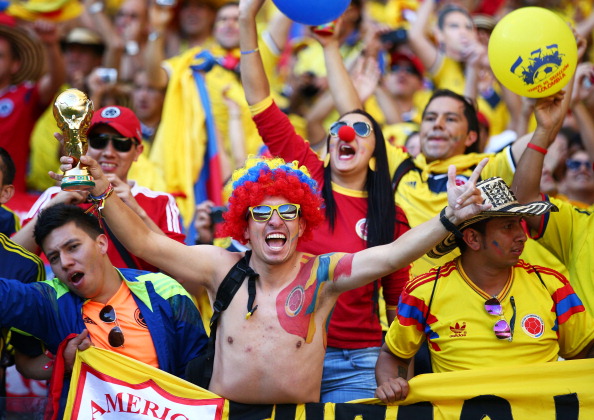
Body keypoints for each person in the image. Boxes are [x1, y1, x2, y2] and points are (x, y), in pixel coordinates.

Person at [54, 119, 491, 406]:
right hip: (226, 414)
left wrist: (450, 218)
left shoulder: (323, 274)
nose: (275, 221)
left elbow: (394, 254)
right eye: (262, 213)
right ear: (245, 226)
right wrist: (102, 189)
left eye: (288, 212)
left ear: (303, 225)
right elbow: (146, 242)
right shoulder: (219, 267)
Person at [238, 0, 410, 402]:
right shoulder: (309, 177)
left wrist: (398, 373)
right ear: (329, 142)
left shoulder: (390, 215)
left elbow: (399, 307)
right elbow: (260, 103)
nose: (346, 133)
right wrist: (247, 19)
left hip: (359, 362)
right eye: (338, 127)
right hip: (289, 349)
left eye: (361, 130)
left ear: (377, 151)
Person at [375, 176, 594, 403]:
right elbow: (394, 355)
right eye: (508, 226)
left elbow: (584, 353)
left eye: (520, 223)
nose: (522, 236)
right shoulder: (425, 292)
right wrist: (391, 383)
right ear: (472, 238)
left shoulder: (552, 285)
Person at [0, 203, 208, 417]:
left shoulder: (164, 290)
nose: (65, 262)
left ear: (101, 243)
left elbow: (197, 372)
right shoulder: (50, 298)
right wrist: (63, 364)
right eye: (54, 257)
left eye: (73, 247)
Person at [17, 105, 184, 272]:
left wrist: (138, 212)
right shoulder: (57, 195)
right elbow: (12, 258)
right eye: (99, 141)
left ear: (138, 152)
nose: (109, 152)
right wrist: (54, 205)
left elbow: (184, 271)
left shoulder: (161, 201)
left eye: (121, 144)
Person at [0, 14, 64, 206]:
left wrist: (51, 45)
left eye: (0, 56)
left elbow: (55, 81)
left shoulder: (24, 96)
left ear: (15, 65)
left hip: (10, 201)